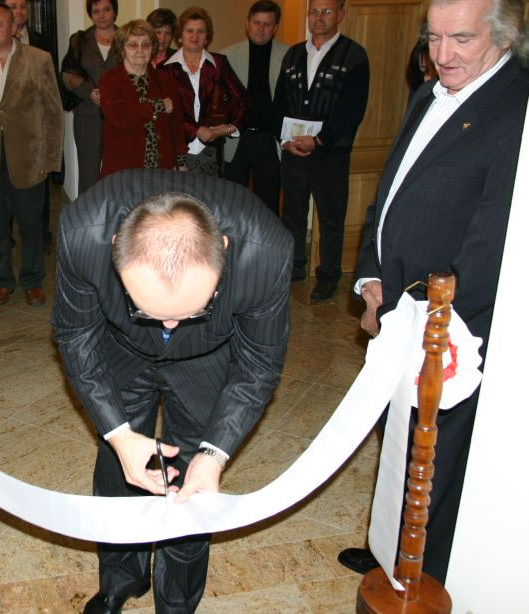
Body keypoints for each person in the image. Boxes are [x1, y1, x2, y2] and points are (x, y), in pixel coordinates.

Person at [339, 0, 529, 584]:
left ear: (503, 37)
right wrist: (371, 279)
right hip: (397, 305)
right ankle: (389, 544)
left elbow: (494, 240)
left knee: (436, 453)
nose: (442, 54)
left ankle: (419, 573)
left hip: (450, 326)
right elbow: (390, 191)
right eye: (434, 38)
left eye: (461, 39)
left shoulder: (516, 108)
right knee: (398, 433)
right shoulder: (428, 93)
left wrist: (435, 326)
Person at [53, 169, 291, 613]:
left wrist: (215, 454)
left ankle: (177, 601)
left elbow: (258, 365)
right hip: (122, 349)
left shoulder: (266, 251)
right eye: (148, 309)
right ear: (114, 251)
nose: (168, 326)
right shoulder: (83, 234)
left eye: (191, 310)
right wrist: (119, 435)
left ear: (224, 250)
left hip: (208, 356)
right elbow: (77, 337)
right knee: (119, 466)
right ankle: (121, 578)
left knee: (194, 483)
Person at [274, 0, 369, 301]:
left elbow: (352, 109)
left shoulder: (354, 55)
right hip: (293, 150)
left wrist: (319, 140)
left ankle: (328, 276)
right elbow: (280, 102)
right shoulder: (293, 54)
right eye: (314, 11)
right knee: (293, 214)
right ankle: (295, 267)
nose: (319, 17)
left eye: (327, 11)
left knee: (330, 218)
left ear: (340, 14)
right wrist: (284, 139)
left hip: (331, 152)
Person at [0, 3, 62, 307]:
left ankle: (32, 280)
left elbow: (53, 112)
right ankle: (1, 280)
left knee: (31, 226)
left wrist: (50, 159)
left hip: (29, 160)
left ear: (13, 27)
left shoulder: (39, 59)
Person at [161, 7, 248, 178]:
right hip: (177, 151)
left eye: (200, 31)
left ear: (207, 37)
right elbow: (166, 111)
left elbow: (242, 99)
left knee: (211, 195)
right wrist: (196, 130)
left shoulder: (219, 63)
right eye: (189, 31)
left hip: (212, 151)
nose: (195, 35)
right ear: (180, 36)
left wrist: (229, 128)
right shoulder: (165, 69)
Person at [221, 1, 288, 215]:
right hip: (236, 139)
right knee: (232, 204)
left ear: (275, 27)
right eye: (257, 22)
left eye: (267, 24)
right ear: (247, 24)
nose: (261, 28)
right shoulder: (227, 56)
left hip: (269, 140)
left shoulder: (289, 56)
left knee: (268, 206)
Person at [98, 20, 186, 178]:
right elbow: (120, 116)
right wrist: (156, 106)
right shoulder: (110, 80)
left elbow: (177, 125)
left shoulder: (165, 80)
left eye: (146, 45)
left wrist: (180, 162)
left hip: (162, 168)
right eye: (133, 45)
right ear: (122, 49)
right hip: (123, 168)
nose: (140, 50)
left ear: (152, 48)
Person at [60, 0, 121, 196]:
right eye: (96, 11)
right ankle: (87, 213)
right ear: (90, 14)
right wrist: (90, 92)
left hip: (121, 115)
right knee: (88, 174)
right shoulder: (79, 40)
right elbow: (67, 74)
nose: (101, 15)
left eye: (106, 10)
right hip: (88, 114)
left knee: (119, 171)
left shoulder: (127, 38)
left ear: (115, 12)